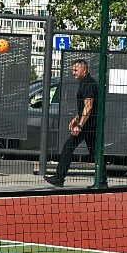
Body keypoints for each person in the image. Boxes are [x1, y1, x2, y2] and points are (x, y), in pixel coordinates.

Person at [44, 59, 97, 188]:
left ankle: (59, 177)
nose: (73, 72)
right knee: (95, 152)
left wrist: (80, 125)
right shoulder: (85, 82)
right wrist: (77, 117)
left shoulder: (88, 83)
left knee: (68, 147)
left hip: (87, 125)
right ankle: (102, 181)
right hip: (87, 122)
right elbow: (85, 106)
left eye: (76, 70)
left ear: (84, 70)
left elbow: (89, 106)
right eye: (72, 70)